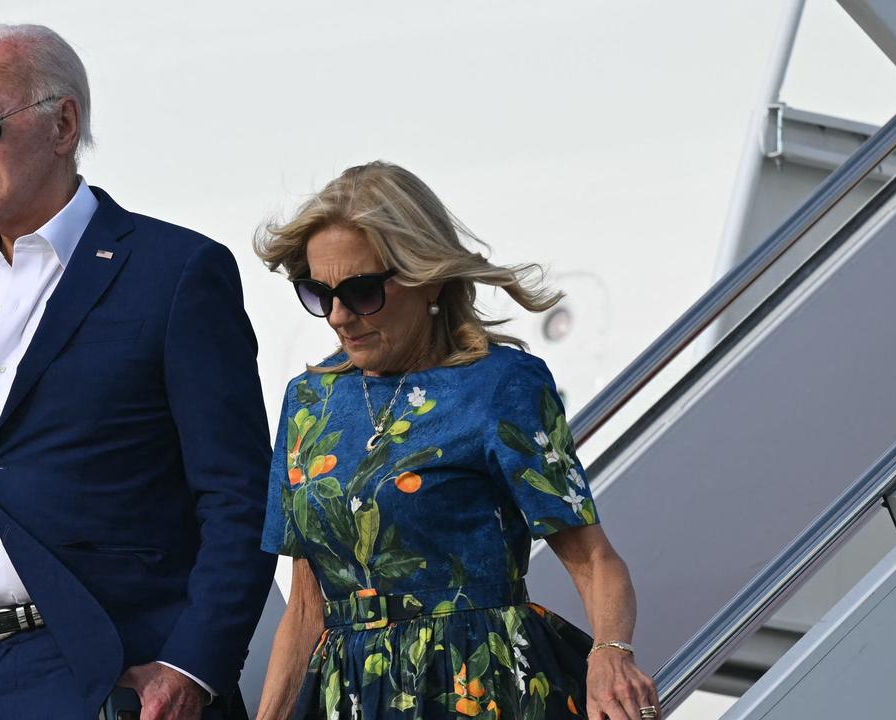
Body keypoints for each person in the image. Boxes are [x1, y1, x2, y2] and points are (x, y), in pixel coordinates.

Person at [0, 24, 274, 720]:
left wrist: (192, 666)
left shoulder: (175, 272)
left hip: (124, 685)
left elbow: (240, 498)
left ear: (62, 123)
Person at [253, 162, 658, 720]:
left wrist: (611, 654)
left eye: (362, 291)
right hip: (349, 698)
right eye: (318, 293)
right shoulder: (308, 404)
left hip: (482, 688)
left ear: (429, 277)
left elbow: (593, 560)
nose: (339, 317)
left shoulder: (501, 385)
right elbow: (304, 607)